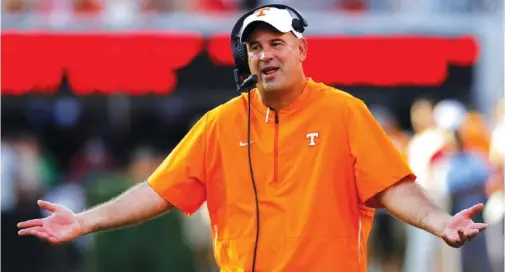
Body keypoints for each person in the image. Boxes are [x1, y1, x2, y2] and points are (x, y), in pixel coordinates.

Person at [18, 4, 488, 272]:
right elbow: (158, 191)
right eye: (256, 46)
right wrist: (83, 221)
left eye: (277, 43)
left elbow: (394, 186)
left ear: (302, 48)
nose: (265, 55)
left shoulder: (345, 112)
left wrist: (440, 222)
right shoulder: (221, 122)